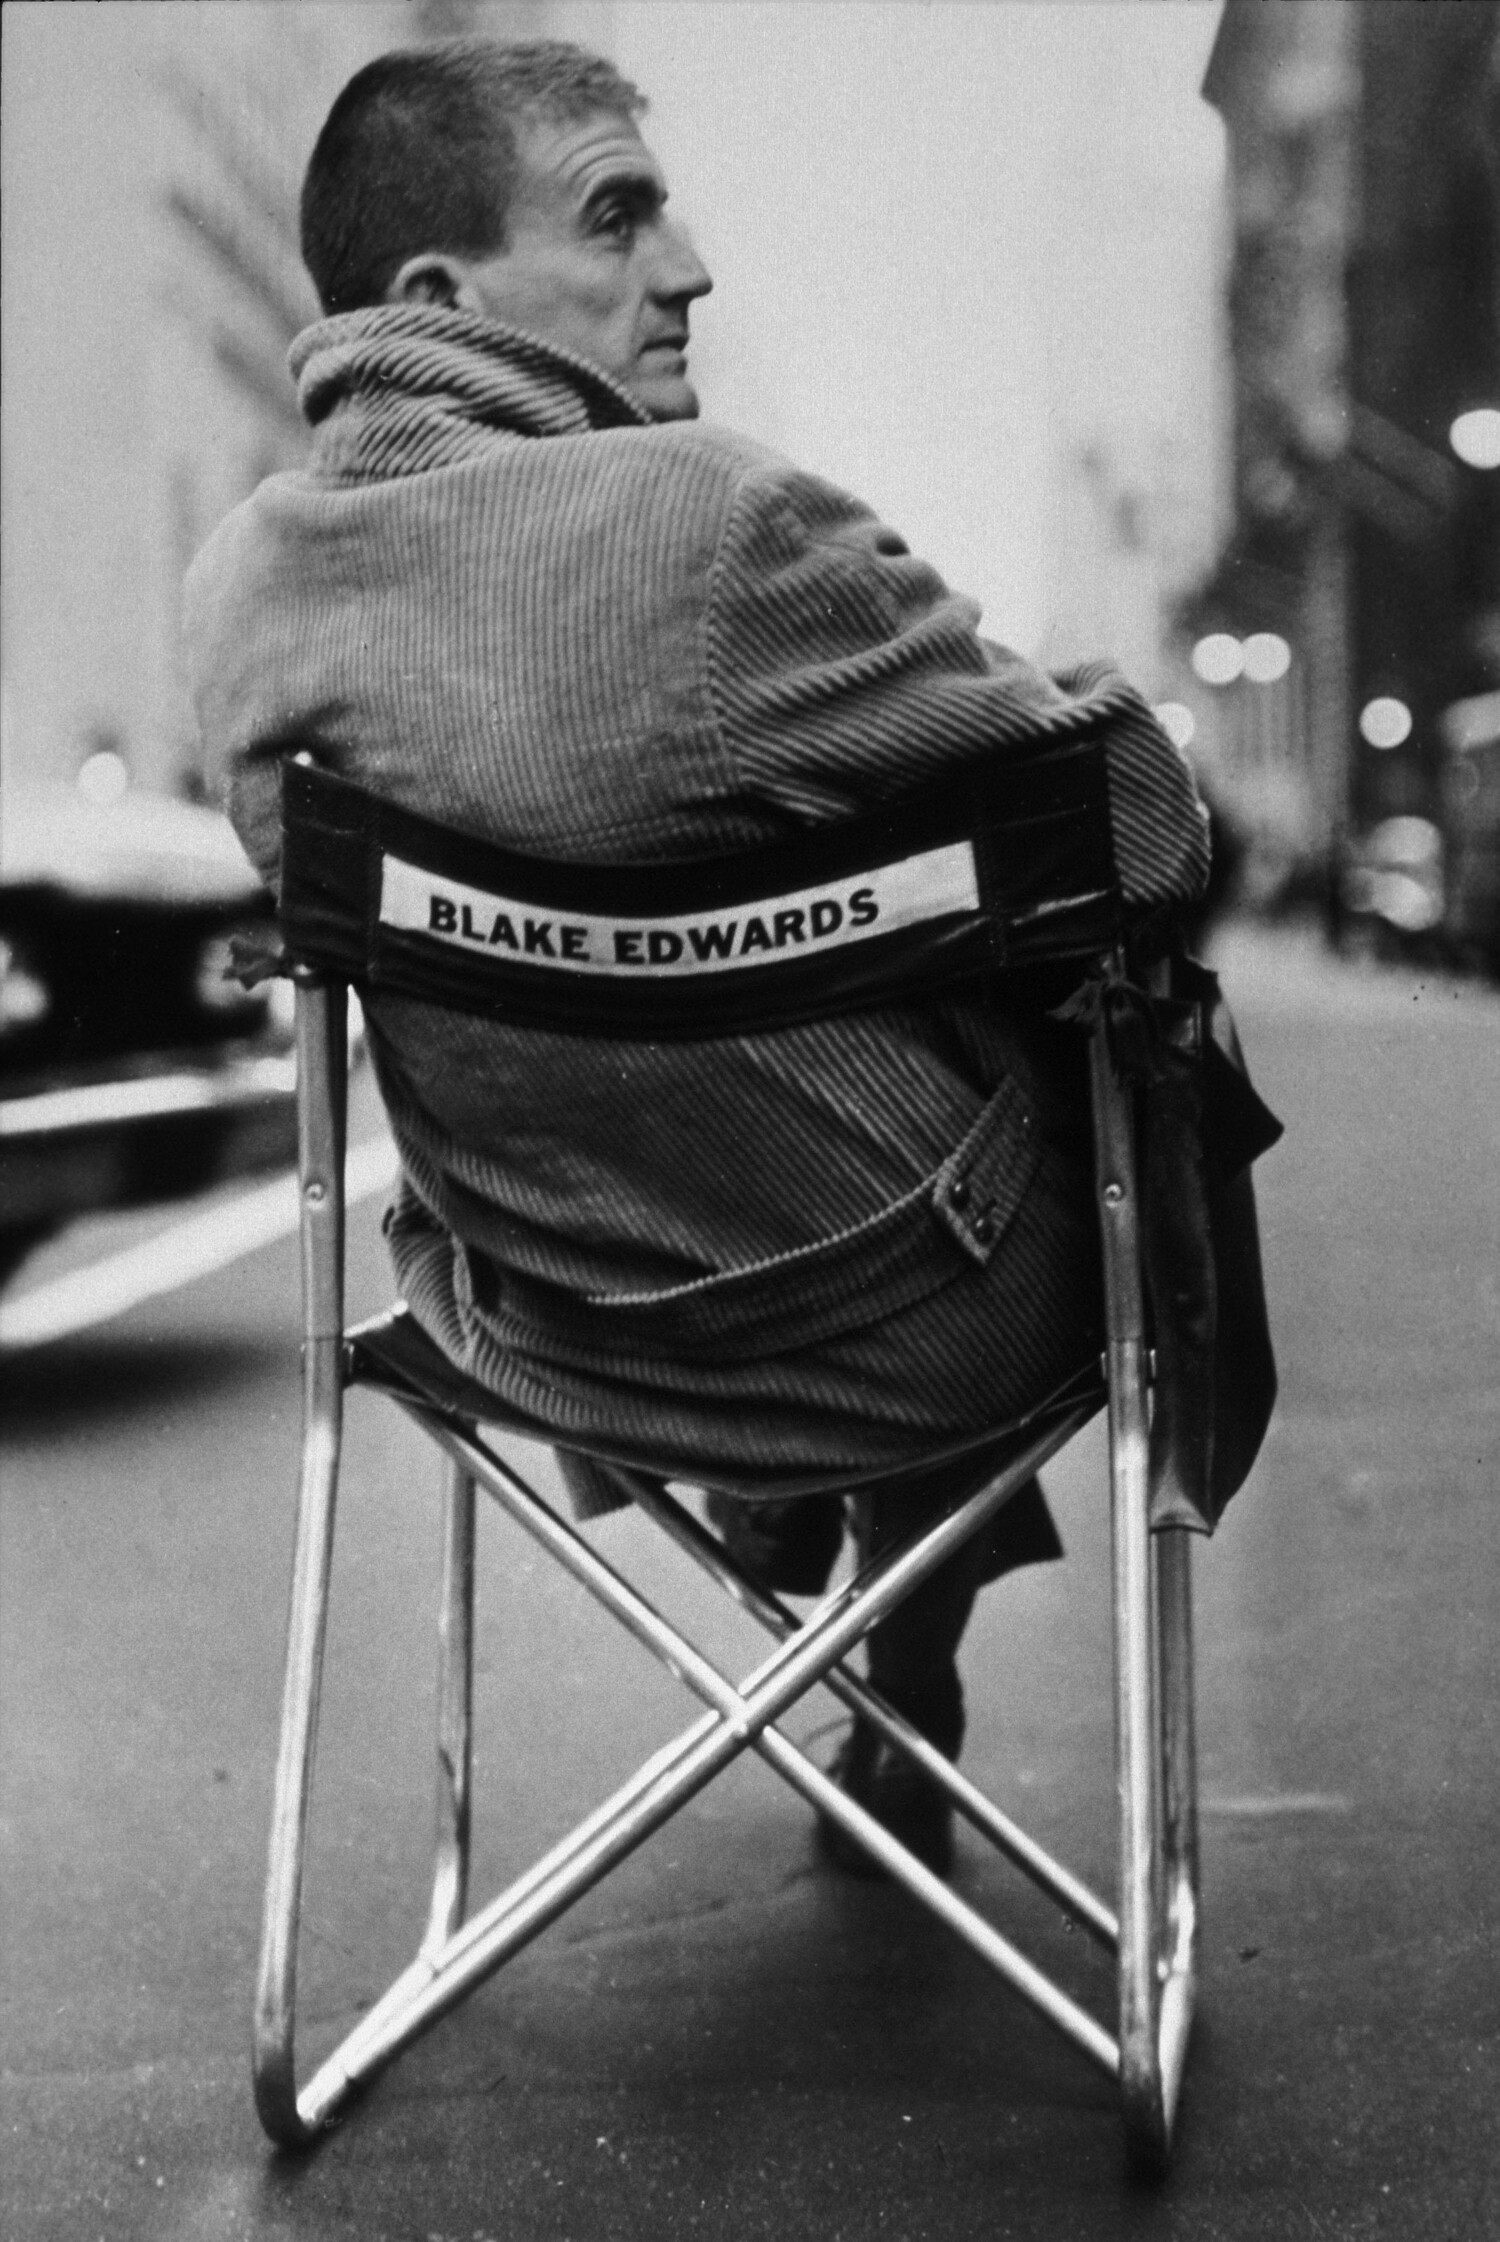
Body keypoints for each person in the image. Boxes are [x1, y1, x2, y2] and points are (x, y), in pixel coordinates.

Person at [185, 39, 1220, 1878]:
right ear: (441, 298)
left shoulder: (244, 600)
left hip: (529, 1313)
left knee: (790, 1057)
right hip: (901, 1311)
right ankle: (889, 1637)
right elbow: (1139, 819)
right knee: (1078, 1052)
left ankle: (792, 1534)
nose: (692, 267)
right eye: (617, 213)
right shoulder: (717, 527)